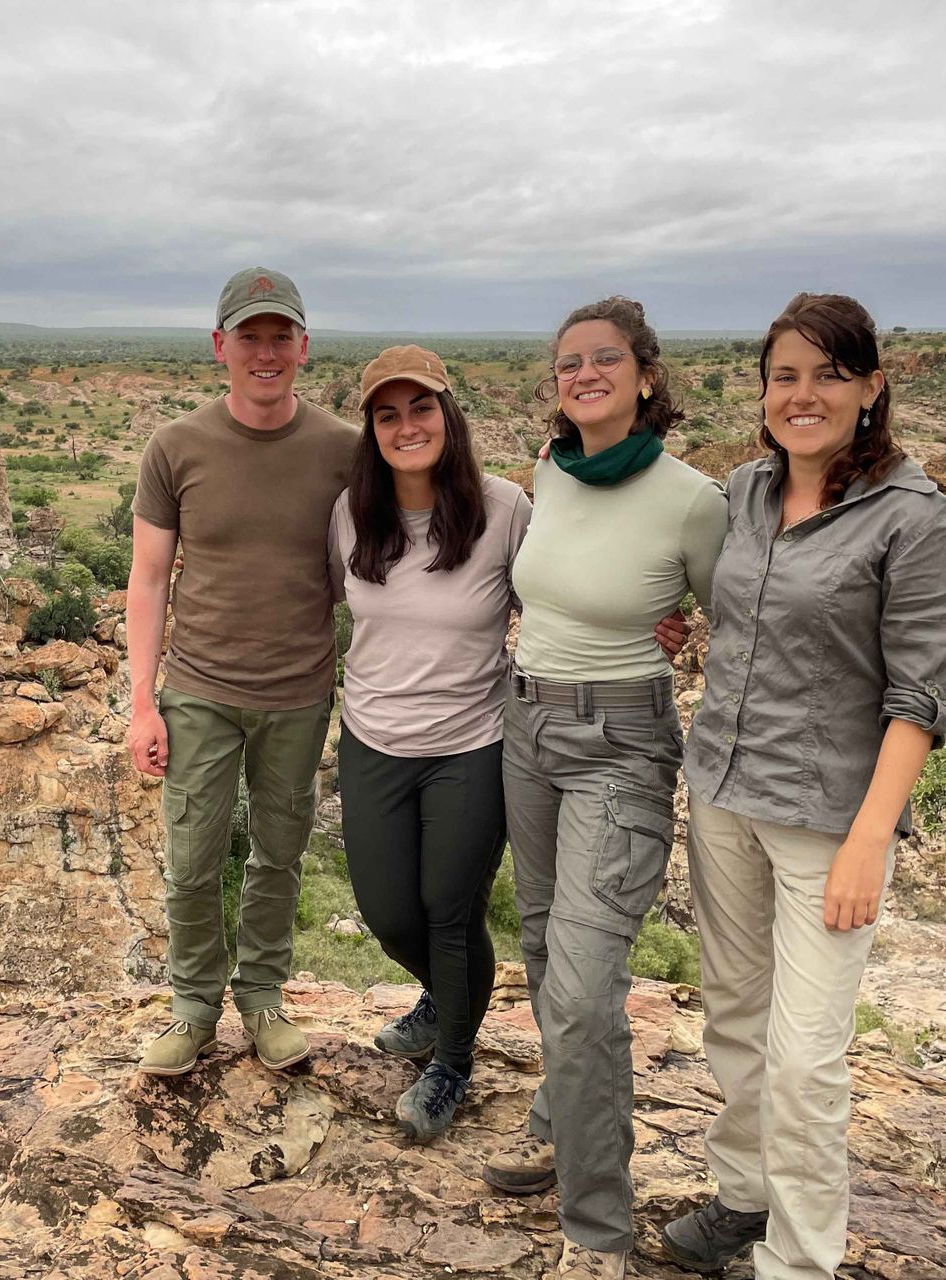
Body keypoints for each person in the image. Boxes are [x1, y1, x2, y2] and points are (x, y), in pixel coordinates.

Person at [660, 294, 946, 1280]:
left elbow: (917, 688)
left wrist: (873, 833)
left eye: (827, 373)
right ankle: (741, 1194)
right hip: (724, 791)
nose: (802, 393)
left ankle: (800, 1256)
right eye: (783, 374)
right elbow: (726, 607)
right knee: (733, 1016)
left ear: (870, 387)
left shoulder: (907, 515)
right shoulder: (743, 492)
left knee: (805, 1054)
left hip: (828, 819)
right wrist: (674, 627)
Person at [481, 297, 729, 1280]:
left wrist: (674, 637)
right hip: (526, 720)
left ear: (643, 375)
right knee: (542, 944)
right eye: (567, 362)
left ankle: (595, 1230)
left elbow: (730, 617)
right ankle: (556, 1119)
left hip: (620, 740)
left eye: (603, 360)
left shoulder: (688, 496)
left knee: (585, 989)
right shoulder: (550, 470)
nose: (582, 373)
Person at [128, 267, 357, 1076]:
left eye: (280, 336)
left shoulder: (343, 450)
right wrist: (140, 705)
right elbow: (149, 578)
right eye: (250, 336)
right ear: (221, 345)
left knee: (279, 854)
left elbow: (402, 550)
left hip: (298, 693)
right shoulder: (177, 446)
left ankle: (262, 997)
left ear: (303, 346)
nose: (267, 352)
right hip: (199, 692)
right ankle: (193, 1007)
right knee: (192, 859)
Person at [327, 345, 532, 1141]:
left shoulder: (506, 508)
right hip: (374, 735)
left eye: (421, 408)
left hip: (472, 743)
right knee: (389, 915)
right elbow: (316, 602)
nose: (406, 426)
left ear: (449, 415)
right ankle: (449, 997)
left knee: (449, 912)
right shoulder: (350, 513)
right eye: (388, 414)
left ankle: (451, 1061)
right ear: (371, 430)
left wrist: (648, 616)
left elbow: (560, 593)